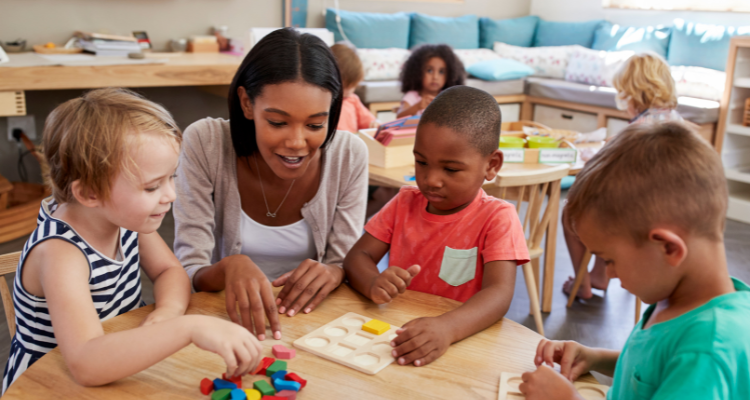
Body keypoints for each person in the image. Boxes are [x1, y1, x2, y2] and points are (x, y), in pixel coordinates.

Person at [2, 88, 262, 394]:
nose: (171, 195)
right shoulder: (61, 254)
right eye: (152, 187)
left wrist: (167, 313)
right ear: (88, 193)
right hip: (50, 384)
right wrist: (188, 327)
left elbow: (169, 271)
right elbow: (86, 363)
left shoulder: (123, 217)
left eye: (171, 177)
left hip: (117, 360)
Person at [520, 122, 750, 400]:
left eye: (608, 260)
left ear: (668, 248)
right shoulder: (678, 299)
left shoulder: (707, 351)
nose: (611, 274)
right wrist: (595, 358)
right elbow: (656, 370)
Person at [173, 28, 368, 341]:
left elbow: (342, 262)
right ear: (247, 104)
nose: (296, 142)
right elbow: (186, 270)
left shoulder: (348, 154)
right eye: (277, 122)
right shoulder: (205, 142)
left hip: (313, 327)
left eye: (316, 124)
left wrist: (336, 271)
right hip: (221, 325)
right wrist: (227, 267)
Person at [344, 86, 529, 367]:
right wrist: (373, 282)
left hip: (461, 342)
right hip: (399, 334)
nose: (431, 179)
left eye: (451, 169)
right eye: (421, 162)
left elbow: (499, 294)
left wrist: (448, 328)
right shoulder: (404, 202)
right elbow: (358, 257)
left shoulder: (498, 218)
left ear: (491, 165)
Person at [563, 52, 683, 300]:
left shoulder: (637, 132)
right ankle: (600, 276)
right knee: (603, 203)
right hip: (669, 215)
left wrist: (591, 155)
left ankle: (582, 283)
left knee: (572, 211)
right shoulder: (677, 123)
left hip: (634, 218)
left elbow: (602, 170)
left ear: (633, 94)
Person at [396, 44, 465, 118]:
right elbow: (399, 117)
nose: (435, 77)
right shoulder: (412, 96)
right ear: (417, 72)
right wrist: (417, 106)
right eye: (429, 70)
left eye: (441, 72)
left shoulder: (447, 96)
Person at [330, 43, 379, 133]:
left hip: (351, 144)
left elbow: (369, 121)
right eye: (344, 87)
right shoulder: (324, 102)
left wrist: (374, 123)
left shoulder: (353, 99)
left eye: (352, 86)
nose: (348, 92)